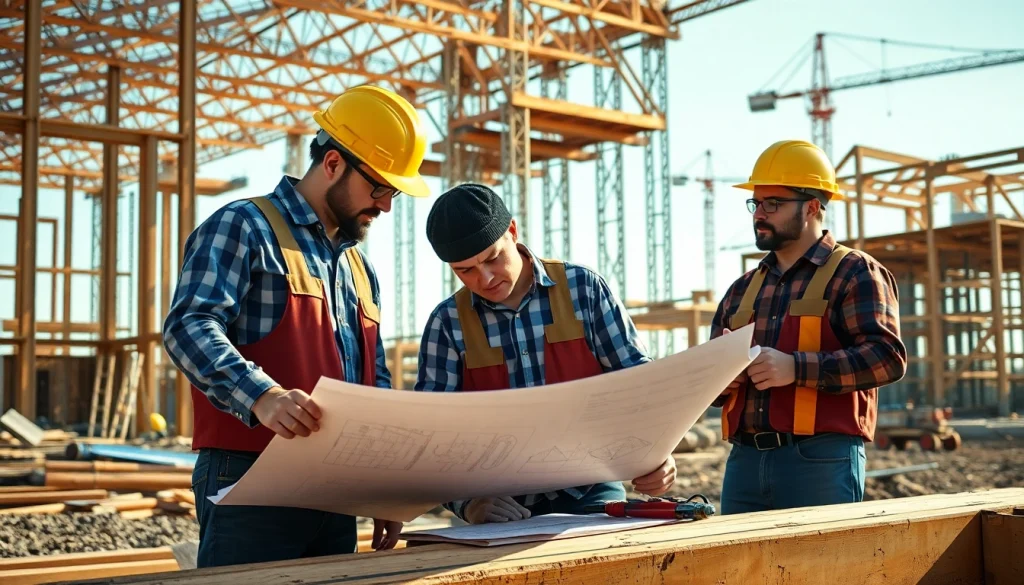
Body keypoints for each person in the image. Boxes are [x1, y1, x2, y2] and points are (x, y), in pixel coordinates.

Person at [162, 85, 430, 567]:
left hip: (336, 493)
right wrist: (262, 396)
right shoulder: (243, 226)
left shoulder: (359, 271)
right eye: (379, 188)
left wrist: (386, 487)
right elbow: (189, 325)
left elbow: (375, 384)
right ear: (332, 164)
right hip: (249, 480)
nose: (386, 205)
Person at [414, 183, 677, 525]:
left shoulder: (583, 290)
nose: (486, 278)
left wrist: (657, 453)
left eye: (493, 258)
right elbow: (432, 435)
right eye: (465, 271)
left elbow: (639, 384)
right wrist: (468, 504)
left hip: (591, 491)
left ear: (512, 230)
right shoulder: (447, 324)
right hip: (496, 504)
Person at [710, 139, 907, 514]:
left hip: (820, 461)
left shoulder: (855, 272)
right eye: (756, 203)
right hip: (744, 462)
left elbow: (887, 358)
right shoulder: (741, 290)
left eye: (774, 204)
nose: (759, 214)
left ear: (813, 207)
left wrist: (794, 368)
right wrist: (719, 378)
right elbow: (708, 387)